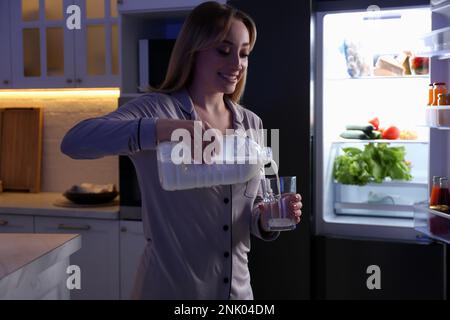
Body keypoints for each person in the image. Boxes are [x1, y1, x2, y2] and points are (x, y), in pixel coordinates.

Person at [61, 1, 302, 300]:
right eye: (223, 51)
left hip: (237, 295)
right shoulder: (156, 108)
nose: (237, 63)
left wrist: (269, 218)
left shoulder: (251, 122)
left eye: (244, 53)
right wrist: (168, 130)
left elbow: (251, 211)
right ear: (193, 50)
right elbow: (74, 141)